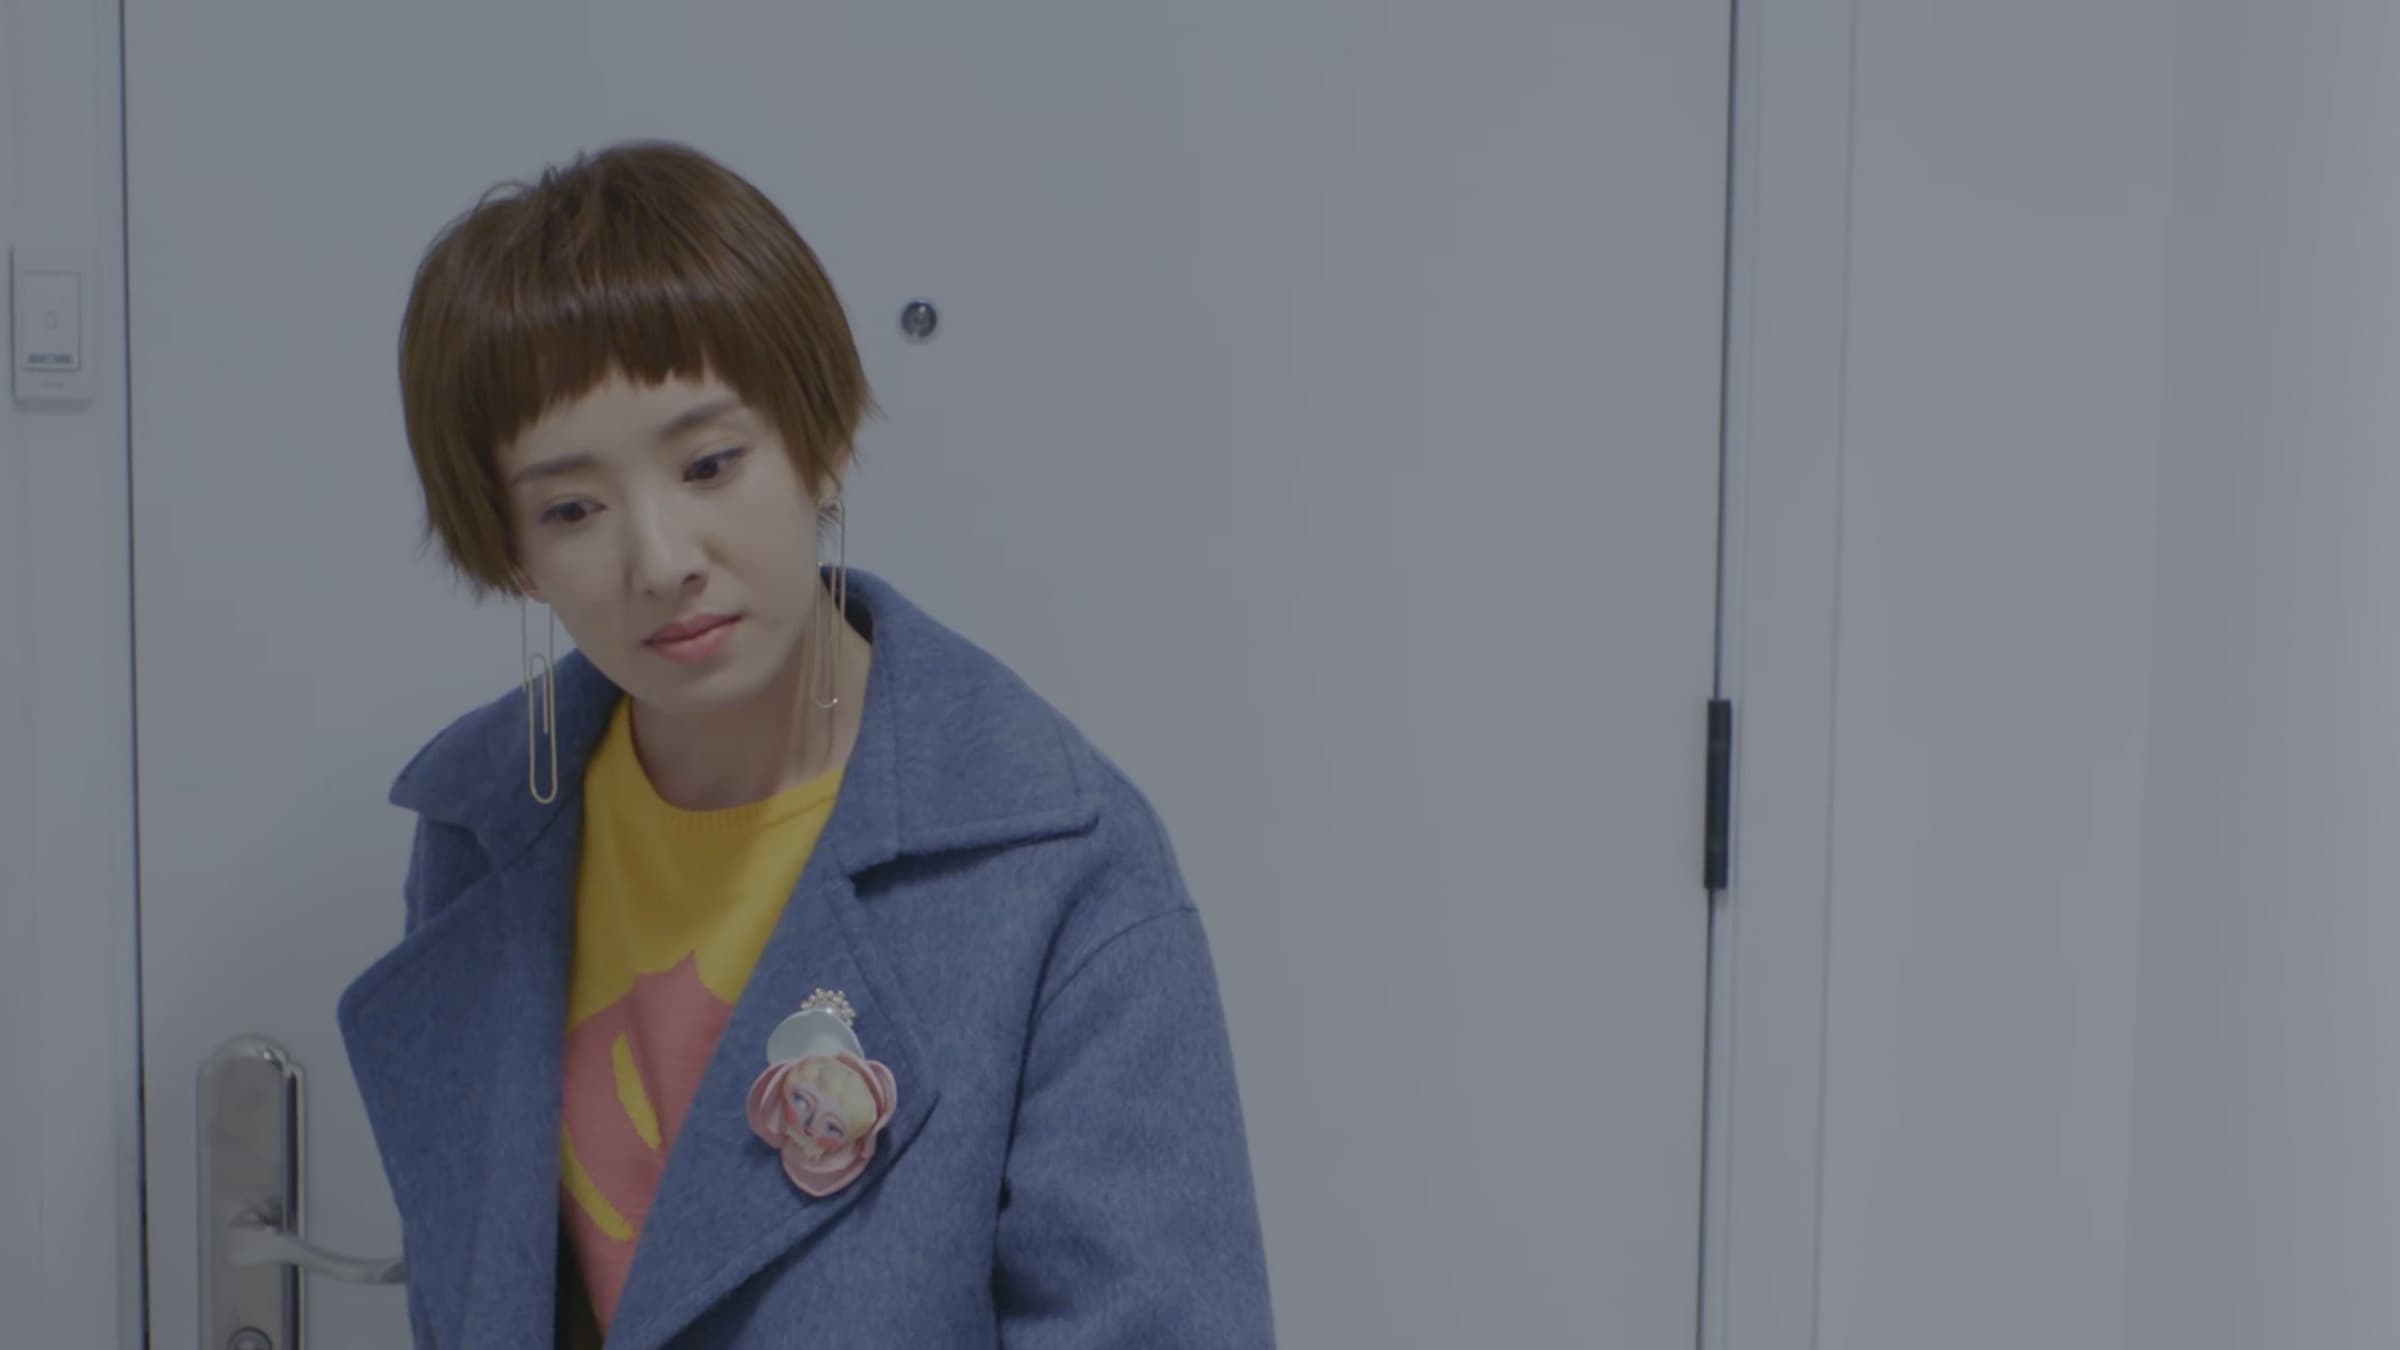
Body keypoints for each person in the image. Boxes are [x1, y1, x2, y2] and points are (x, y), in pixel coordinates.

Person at [333, 139, 1275, 1350]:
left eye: (710, 464)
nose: (661, 559)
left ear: (819, 442)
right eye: (572, 509)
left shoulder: (1057, 861)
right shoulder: (486, 828)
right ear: (512, 551)